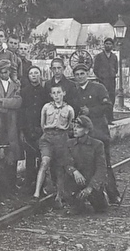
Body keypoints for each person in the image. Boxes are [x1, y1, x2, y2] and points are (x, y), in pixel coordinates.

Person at [73, 63, 121, 204]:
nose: (80, 77)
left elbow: (107, 105)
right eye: (77, 74)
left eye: (82, 73)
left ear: (87, 74)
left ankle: (113, 194)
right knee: (85, 164)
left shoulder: (98, 88)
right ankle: (90, 196)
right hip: (83, 135)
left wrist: (91, 111)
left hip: (99, 132)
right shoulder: (74, 91)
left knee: (104, 164)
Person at [34, 83, 75, 201]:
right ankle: (36, 193)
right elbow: (42, 124)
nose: (56, 95)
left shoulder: (69, 109)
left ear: (64, 93)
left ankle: (59, 195)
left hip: (62, 138)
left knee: (60, 166)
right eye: (54, 93)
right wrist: (48, 133)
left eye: (59, 93)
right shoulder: (46, 107)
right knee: (45, 162)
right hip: (47, 137)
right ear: (51, 95)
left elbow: (70, 126)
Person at [61, 116, 109, 214]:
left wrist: (90, 187)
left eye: (78, 127)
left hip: (91, 180)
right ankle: (76, 203)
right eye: (74, 126)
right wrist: (74, 171)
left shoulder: (97, 145)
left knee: (100, 209)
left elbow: (101, 168)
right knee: (75, 207)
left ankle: (101, 196)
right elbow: (66, 163)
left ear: (87, 131)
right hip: (76, 181)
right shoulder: (69, 143)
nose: (75, 129)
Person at [0, 60, 23, 190]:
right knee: (0, 146)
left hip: (13, 121)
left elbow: (18, 102)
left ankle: (12, 185)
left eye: (7, 71)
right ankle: (1, 186)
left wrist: (2, 101)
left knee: (12, 148)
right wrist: (9, 105)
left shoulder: (15, 85)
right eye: (2, 72)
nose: (4, 74)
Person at [19, 65, 50, 191]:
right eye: (31, 73)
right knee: (30, 157)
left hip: (40, 128)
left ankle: (41, 184)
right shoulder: (24, 91)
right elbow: (21, 112)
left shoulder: (44, 91)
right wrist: (22, 129)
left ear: (40, 75)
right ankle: (29, 183)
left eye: (36, 73)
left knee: (41, 156)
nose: (34, 75)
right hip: (28, 128)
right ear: (28, 76)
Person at [93, 37, 118, 123]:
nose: (108, 45)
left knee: (111, 98)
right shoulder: (99, 56)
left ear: (112, 46)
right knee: (103, 99)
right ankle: (103, 118)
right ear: (104, 45)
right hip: (102, 81)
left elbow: (116, 68)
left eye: (110, 44)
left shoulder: (114, 57)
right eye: (106, 44)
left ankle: (110, 117)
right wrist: (101, 77)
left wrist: (113, 74)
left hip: (112, 81)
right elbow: (95, 69)